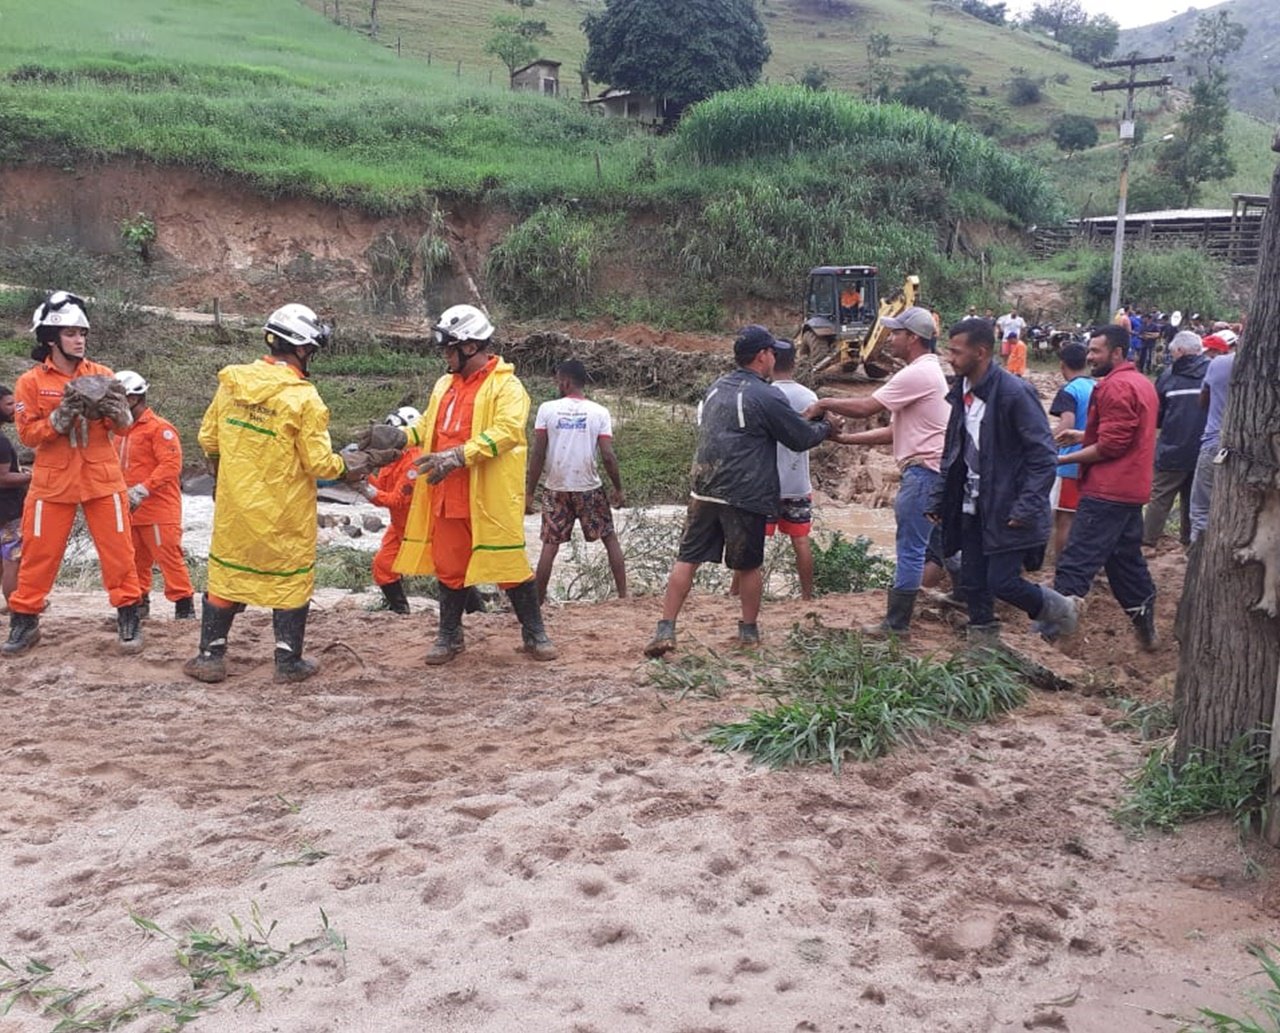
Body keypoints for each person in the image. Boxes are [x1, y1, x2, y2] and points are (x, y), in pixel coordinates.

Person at [184, 303, 376, 683]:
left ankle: (210, 656)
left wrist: (223, 475)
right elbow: (320, 465)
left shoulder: (232, 383)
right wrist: (350, 464)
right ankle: (287, 663)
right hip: (284, 512)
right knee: (290, 579)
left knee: (225, 576)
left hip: (236, 509)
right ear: (302, 349)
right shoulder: (304, 399)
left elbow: (209, 438)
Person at [644, 326, 832, 657]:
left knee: (687, 558)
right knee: (748, 564)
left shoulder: (717, 388)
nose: (775, 357)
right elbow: (799, 438)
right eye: (772, 352)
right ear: (762, 356)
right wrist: (827, 427)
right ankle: (748, 632)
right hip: (744, 492)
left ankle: (665, 628)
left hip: (704, 488)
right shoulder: (767, 394)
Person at [394, 304, 556, 665]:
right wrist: (396, 438)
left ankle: (535, 633)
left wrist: (458, 456)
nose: (445, 355)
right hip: (446, 495)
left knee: (509, 565)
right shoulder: (443, 385)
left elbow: (508, 431)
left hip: (487, 497)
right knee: (449, 568)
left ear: (469, 347)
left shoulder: (507, 386)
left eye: (449, 348)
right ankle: (449, 637)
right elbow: (427, 428)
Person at [2, 292, 144, 658]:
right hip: (52, 481)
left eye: (83, 332)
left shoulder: (103, 375)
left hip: (102, 479)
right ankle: (25, 620)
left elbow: (122, 429)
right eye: (71, 333)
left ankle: (129, 616)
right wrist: (59, 419)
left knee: (119, 552)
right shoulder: (30, 383)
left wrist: (123, 417)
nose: (80, 339)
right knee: (37, 554)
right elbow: (27, 435)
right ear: (50, 338)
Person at [927, 318, 1071, 646]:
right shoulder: (960, 392)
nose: (950, 358)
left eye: (956, 352)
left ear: (980, 353)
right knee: (974, 581)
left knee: (1003, 582)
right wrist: (940, 498)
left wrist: (1027, 505)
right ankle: (982, 650)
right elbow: (954, 450)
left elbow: (1044, 456)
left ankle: (1060, 609)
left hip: (1007, 505)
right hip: (971, 503)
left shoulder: (1014, 393)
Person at [808, 306, 949, 635]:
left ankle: (896, 623)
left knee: (911, 549)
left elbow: (868, 406)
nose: (891, 339)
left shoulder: (917, 373)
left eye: (897, 333)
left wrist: (824, 402)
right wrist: (844, 438)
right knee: (938, 548)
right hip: (936, 472)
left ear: (913, 338)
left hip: (924, 473)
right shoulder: (929, 372)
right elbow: (893, 432)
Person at [1049, 324, 1160, 650]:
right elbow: (1128, 435)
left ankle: (1050, 636)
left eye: (1096, 351)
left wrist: (1058, 461)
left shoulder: (1115, 387)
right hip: (1131, 489)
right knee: (1125, 563)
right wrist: (1084, 435)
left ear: (1117, 353)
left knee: (1075, 562)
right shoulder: (1141, 383)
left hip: (1106, 491)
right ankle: (1146, 627)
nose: (1090, 357)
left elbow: (1111, 447)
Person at [526, 359, 626, 604]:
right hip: (589, 488)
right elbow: (608, 455)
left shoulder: (547, 409)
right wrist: (618, 488)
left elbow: (538, 453)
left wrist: (529, 492)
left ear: (566, 381)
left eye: (558, 380)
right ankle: (625, 596)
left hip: (555, 488)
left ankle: (538, 603)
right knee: (609, 537)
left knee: (550, 545)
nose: (557, 384)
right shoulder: (599, 412)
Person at [113, 370, 196, 620]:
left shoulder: (160, 428)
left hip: (158, 507)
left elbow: (171, 465)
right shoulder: (121, 431)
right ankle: (139, 603)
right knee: (134, 559)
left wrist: (143, 489)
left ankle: (183, 605)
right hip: (130, 507)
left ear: (131, 399)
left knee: (169, 557)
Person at [755, 340, 818, 601]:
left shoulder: (763, 395)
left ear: (770, 359)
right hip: (798, 483)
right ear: (795, 362)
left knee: (754, 543)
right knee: (801, 541)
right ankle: (807, 596)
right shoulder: (809, 397)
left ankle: (737, 594)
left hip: (765, 485)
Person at [1142, 330, 1209, 549]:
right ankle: (1191, 546)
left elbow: (1156, 415)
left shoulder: (1168, 376)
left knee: (1160, 499)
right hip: (1203, 449)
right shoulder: (1212, 372)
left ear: (1179, 351)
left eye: (1172, 352)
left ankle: (1146, 542)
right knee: (1194, 502)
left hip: (1172, 449)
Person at [360, 406, 423, 615]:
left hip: (422, 528)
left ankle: (475, 611)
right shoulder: (392, 458)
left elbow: (396, 500)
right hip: (400, 527)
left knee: (449, 571)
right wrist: (362, 473)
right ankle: (400, 612)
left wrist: (365, 489)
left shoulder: (415, 461)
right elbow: (383, 491)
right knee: (383, 565)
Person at [1188, 329, 1237, 542]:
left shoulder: (1219, 364)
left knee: (1201, 509)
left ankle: (1198, 564)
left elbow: (1203, 401)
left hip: (1215, 442)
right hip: (1257, 452)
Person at [1047, 343, 1094, 560]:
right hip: (1094, 459)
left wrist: (1045, 442)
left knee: (1065, 519)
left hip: (1070, 464)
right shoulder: (1096, 386)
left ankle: (1061, 567)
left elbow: (1067, 422)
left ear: (1061, 365)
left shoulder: (1070, 390)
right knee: (1085, 519)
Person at [0, 385, 32, 611]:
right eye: (9, 404)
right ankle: (16, 606)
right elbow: (3, 478)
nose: (14, 409)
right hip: (8, 509)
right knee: (13, 559)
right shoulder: (1, 442)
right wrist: (31, 476)